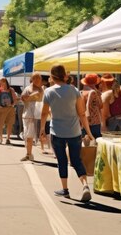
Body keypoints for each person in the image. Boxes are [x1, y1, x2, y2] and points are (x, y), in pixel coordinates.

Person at [40, 64, 95, 202]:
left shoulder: (48, 92)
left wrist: (41, 129)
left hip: (57, 131)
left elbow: (44, 113)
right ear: (64, 75)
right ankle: (85, 185)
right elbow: (82, 114)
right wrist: (88, 132)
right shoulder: (74, 90)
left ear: (52, 77)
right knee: (76, 160)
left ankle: (65, 190)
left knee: (62, 161)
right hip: (74, 131)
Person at [20, 72, 44, 162]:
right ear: (32, 79)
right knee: (27, 136)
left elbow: (38, 98)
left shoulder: (41, 90)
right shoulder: (28, 88)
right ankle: (28, 154)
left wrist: (29, 97)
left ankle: (29, 154)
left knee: (30, 136)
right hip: (27, 114)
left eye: (39, 78)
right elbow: (23, 98)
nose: (38, 80)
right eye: (36, 78)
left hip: (36, 116)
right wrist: (31, 96)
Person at [0, 77, 18, 145]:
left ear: (5, 82)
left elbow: (15, 99)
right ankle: (1, 139)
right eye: (0, 82)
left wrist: (12, 105)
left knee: (10, 124)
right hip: (1, 109)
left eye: (1, 82)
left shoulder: (11, 90)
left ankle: (8, 138)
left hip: (10, 109)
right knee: (0, 124)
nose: (0, 83)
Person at [80, 73, 103, 138]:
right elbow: (100, 105)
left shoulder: (82, 92)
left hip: (85, 122)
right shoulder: (93, 92)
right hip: (94, 121)